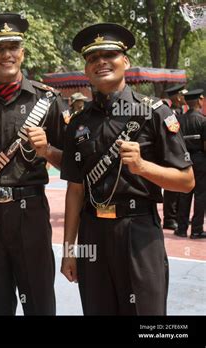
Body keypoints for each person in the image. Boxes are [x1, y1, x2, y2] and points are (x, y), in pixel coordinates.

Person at [61, 23, 195, 315]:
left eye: (109, 54)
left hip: (138, 232)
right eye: (93, 58)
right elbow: (75, 189)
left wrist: (143, 167)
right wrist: (69, 250)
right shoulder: (79, 122)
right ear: (86, 69)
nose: (101, 62)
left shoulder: (154, 113)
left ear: (126, 61)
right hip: (92, 232)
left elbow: (186, 181)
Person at [0, 13, 68, 315]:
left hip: (30, 212)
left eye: (13, 47)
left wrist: (47, 151)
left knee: (40, 304)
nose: (7, 54)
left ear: (23, 52)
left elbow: (72, 163)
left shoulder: (47, 100)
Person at [176, 89, 206, 238]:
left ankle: (181, 228)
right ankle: (196, 229)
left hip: (183, 160)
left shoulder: (179, 120)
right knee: (200, 195)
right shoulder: (203, 120)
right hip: (200, 160)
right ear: (200, 101)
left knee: (184, 194)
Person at [162, 84, 189, 230]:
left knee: (179, 189)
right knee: (172, 189)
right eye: (182, 95)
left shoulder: (180, 111)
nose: (184, 98)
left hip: (180, 152)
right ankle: (169, 219)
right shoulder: (169, 112)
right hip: (171, 153)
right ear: (178, 97)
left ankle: (178, 215)